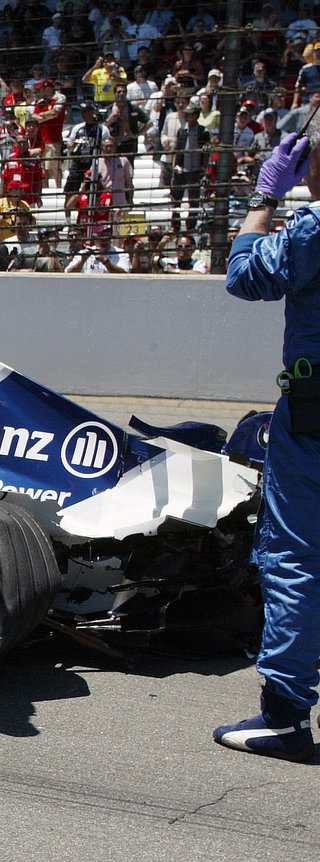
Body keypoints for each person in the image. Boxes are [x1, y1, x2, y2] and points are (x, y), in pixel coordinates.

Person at [216, 128, 320, 763]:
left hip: (312, 420)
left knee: (294, 557)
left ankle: (284, 714)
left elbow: (245, 276)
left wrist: (264, 196)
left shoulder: (313, 227)